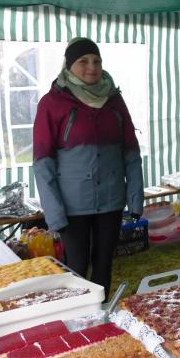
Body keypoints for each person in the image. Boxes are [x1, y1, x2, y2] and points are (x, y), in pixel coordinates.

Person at [33, 38, 144, 296]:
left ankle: (102, 311)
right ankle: (77, 312)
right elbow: (42, 162)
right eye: (83, 61)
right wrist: (54, 212)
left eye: (96, 61)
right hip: (73, 204)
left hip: (111, 200)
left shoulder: (114, 100)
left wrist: (135, 200)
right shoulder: (52, 103)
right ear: (69, 65)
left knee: (104, 263)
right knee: (77, 265)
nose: (91, 67)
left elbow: (131, 153)